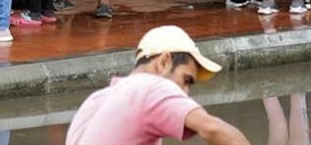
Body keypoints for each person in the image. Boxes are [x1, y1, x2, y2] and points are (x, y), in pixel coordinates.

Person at [66, 25, 249, 145]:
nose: (185, 94)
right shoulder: (152, 87)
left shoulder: (97, 99)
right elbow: (212, 129)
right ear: (163, 62)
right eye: (185, 80)